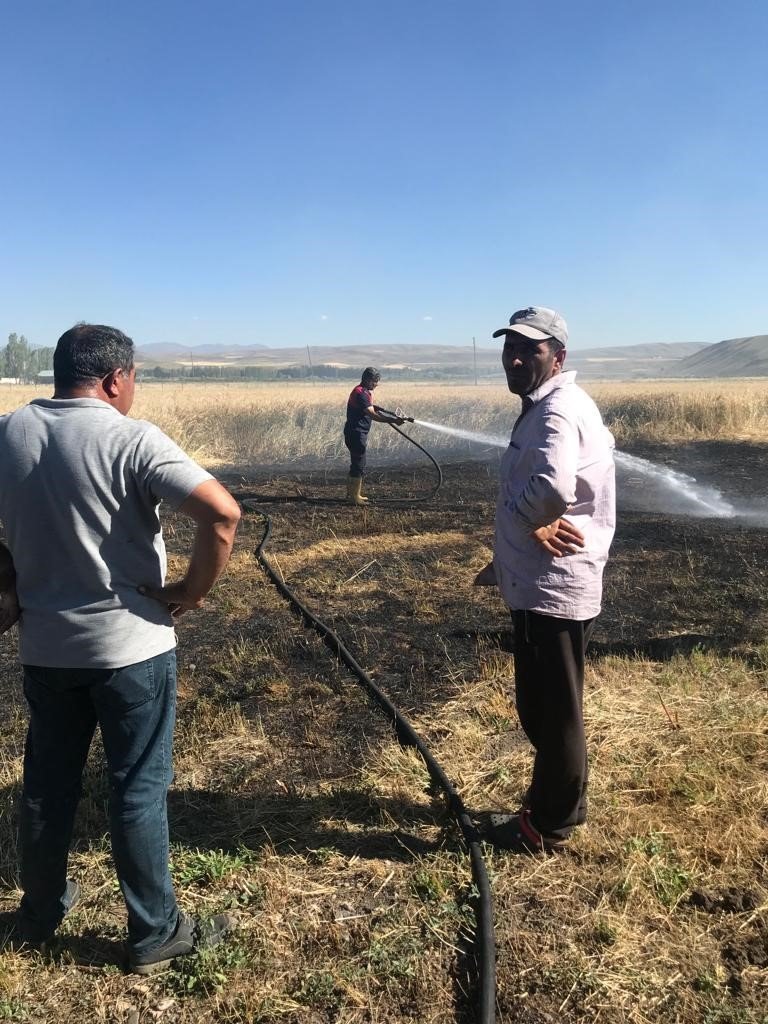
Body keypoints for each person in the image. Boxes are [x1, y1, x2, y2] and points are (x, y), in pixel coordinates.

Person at [0, 323, 241, 972]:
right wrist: (190, 589)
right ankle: (155, 933)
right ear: (114, 379)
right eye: (133, 379)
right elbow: (222, 514)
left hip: (48, 653)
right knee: (135, 789)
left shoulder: (10, 432)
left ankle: (40, 913)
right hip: (132, 650)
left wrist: (9, 577)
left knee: (47, 788)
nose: (133, 390)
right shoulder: (131, 438)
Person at [474, 306, 615, 854]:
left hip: (552, 587)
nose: (514, 357)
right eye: (509, 346)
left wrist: (524, 521)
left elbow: (552, 489)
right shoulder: (562, 404)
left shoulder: (555, 411)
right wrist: (509, 555)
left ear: (558, 356)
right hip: (551, 581)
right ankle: (560, 805)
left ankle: (548, 824)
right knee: (557, 703)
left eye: (529, 349)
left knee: (550, 711)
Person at [343, 367, 403, 505]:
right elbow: (371, 414)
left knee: (357, 463)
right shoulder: (361, 393)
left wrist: (379, 409)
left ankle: (353, 494)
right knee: (359, 464)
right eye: (375, 381)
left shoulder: (362, 391)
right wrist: (393, 420)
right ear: (368, 380)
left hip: (356, 432)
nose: (377, 384)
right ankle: (354, 498)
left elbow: (369, 408)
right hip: (356, 433)